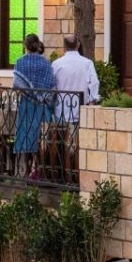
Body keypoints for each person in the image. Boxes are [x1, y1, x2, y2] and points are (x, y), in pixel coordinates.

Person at [13, 33, 56, 180]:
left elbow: (17, 85)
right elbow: (51, 85)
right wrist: (45, 98)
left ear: (25, 46)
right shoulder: (46, 63)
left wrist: (28, 92)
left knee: (26, 136)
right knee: (42, 138)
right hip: (42, 105)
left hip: (26, 105)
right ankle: (39, 169)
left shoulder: (20, 62)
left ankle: (27, 171)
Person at [52, 34, 100, 122]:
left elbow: (52, 84)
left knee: (62, 134)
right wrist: (92, 101)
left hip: (61, 109)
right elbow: (94, 83)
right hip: (81, 109)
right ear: (78, 45)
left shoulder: (56, 64)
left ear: (64, 47)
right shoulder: (87, 63)